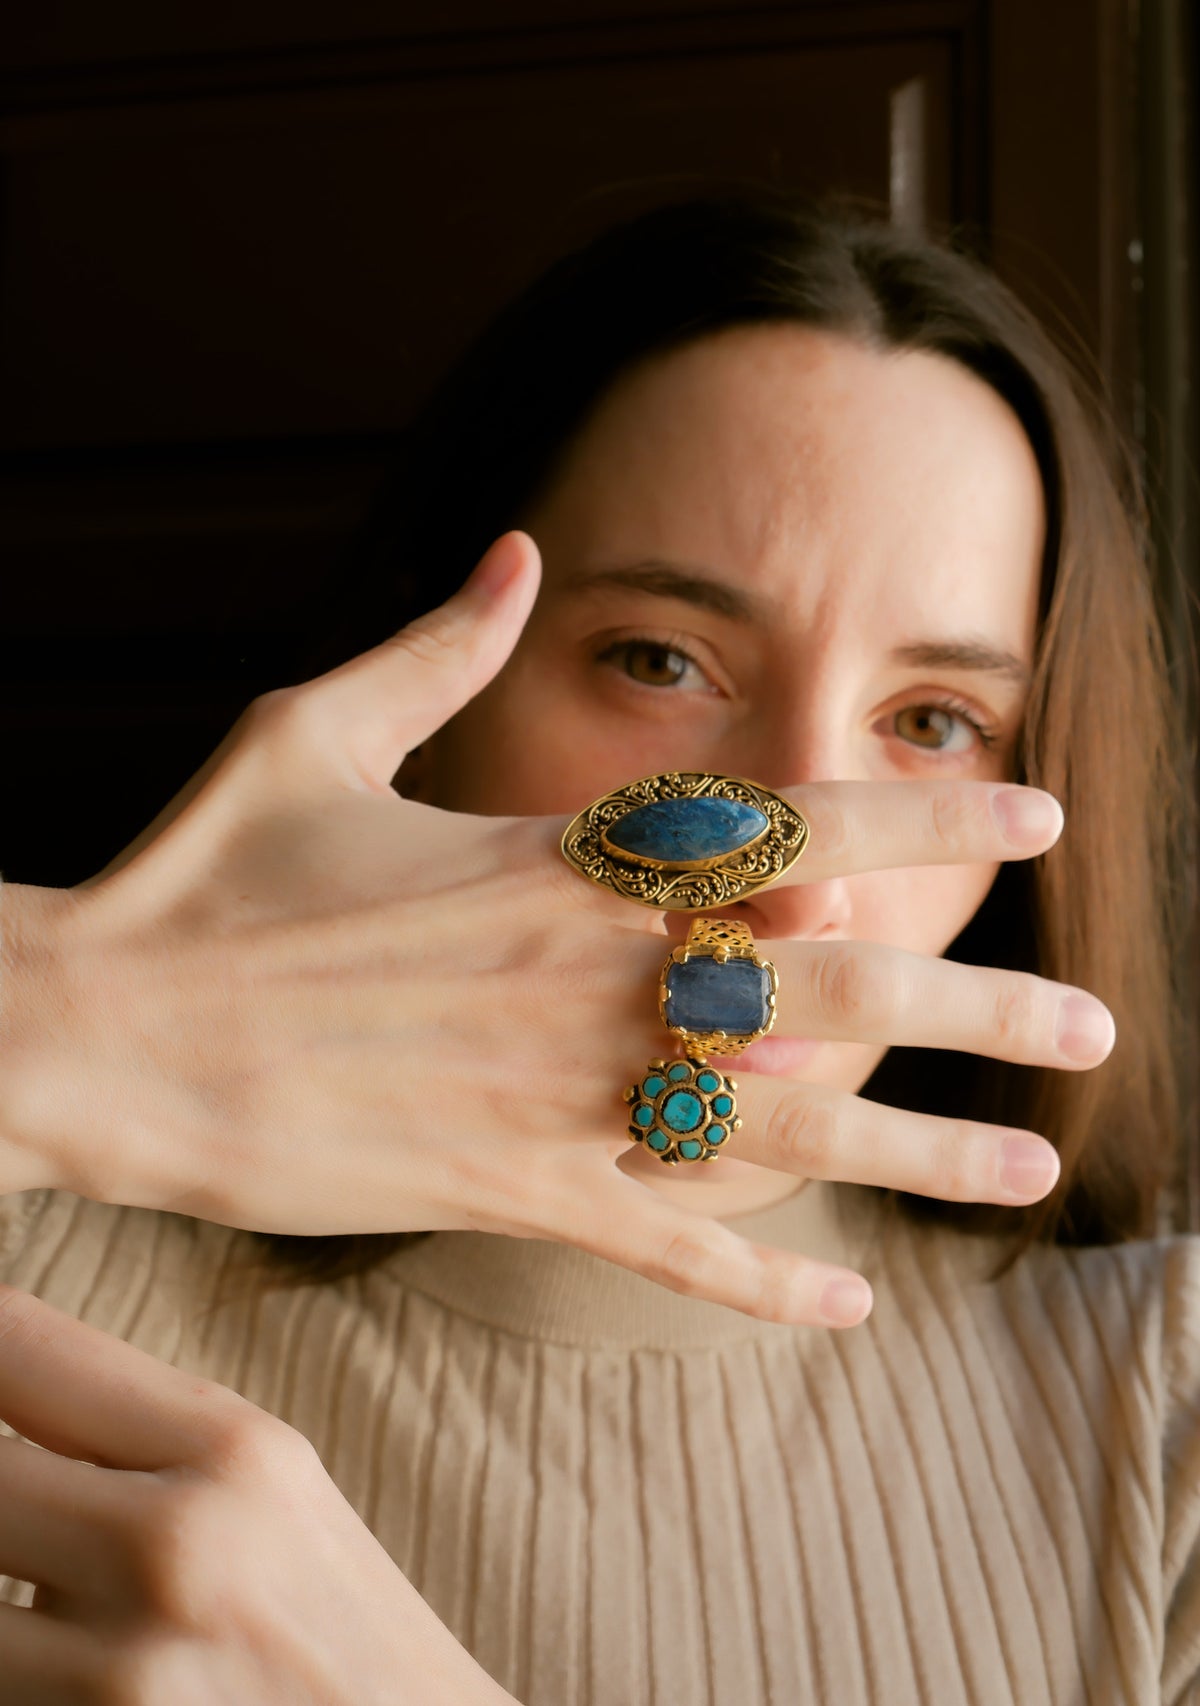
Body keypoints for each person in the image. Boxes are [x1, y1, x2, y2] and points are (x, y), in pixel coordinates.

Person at [0, 192, 1194, 1703]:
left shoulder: (1167, 1414)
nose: (792, 883)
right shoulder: (37, 1272)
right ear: (430, 708)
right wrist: (100, 1005)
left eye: (933, 724)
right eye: (660, 662)